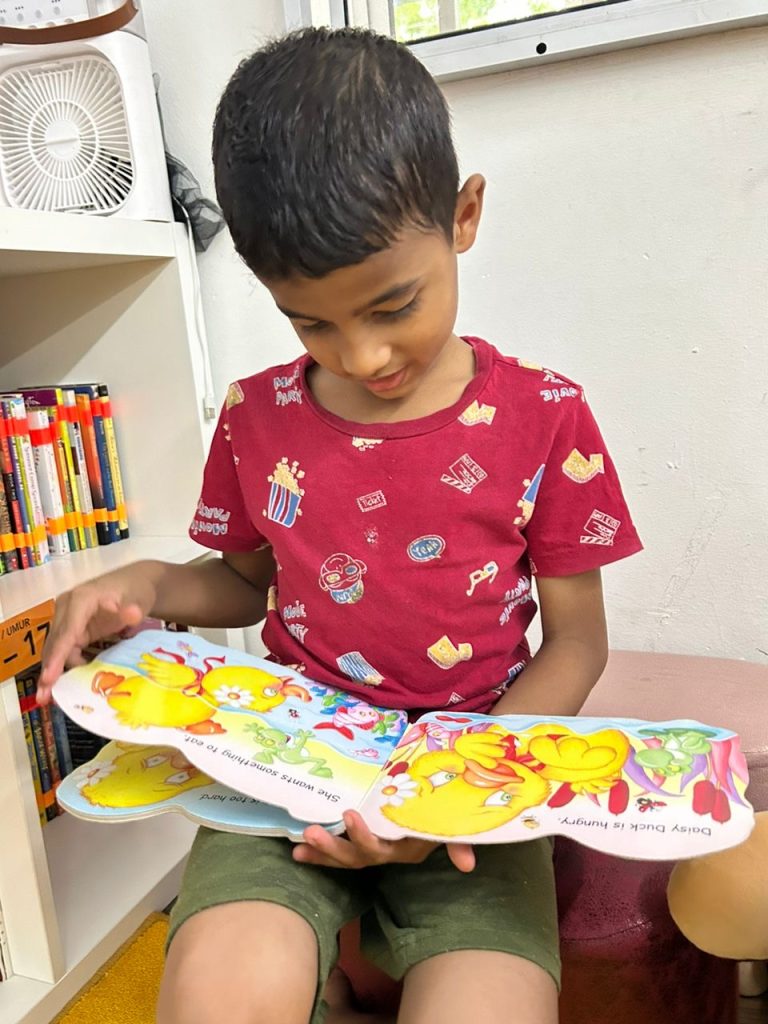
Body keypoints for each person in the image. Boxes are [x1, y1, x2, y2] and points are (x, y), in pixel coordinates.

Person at [38, 26, 643, 1024]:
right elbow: (243, 583)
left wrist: (456, 785)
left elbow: (577, 640)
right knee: (217, 996)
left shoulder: (547, 415)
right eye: (311, 322)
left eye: (394, 306)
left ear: (465, 216)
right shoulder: (256, 414)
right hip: (282, 772)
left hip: (467, 781)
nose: (362, 357)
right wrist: (143, 584)